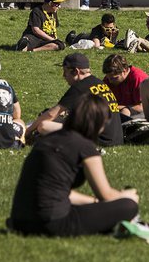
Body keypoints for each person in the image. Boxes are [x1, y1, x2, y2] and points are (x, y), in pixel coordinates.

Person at [8, 93, 139, 237]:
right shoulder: (85, 147)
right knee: (129, 206)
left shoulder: (46, 141)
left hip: (19, 221)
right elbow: (106, 195)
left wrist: (94, 203)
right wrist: (125, 197)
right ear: (98, 123)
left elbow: (57, 191)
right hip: (51, 222)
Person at [25, 52, 123, 147]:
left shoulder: (80, 87)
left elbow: (52, 114)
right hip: (116, 139)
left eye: (65, 72)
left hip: (100, 139)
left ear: (76, 71)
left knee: (44, 125)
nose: (63, 76)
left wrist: (29, 131)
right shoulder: (99, 83)